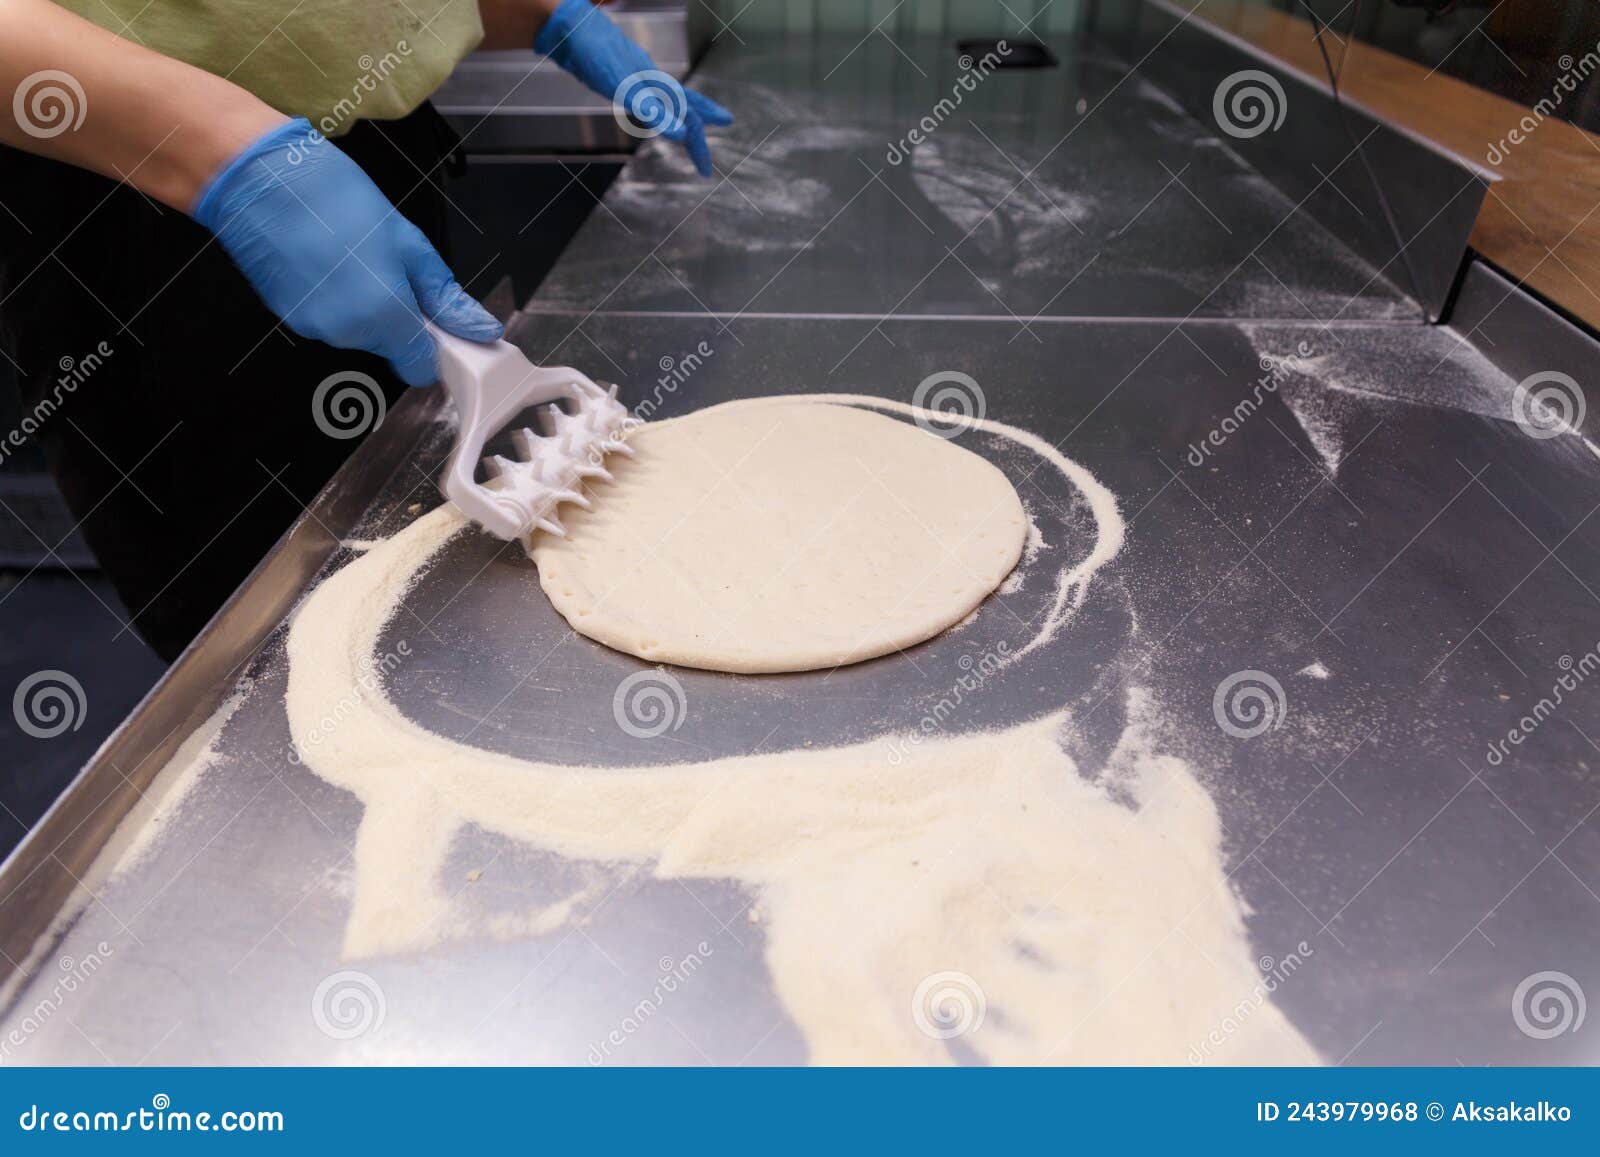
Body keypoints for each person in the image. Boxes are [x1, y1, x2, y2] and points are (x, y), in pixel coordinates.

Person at [0, 0, 731, 660]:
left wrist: (528, 12)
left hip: (368, 164)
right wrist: (227, 156)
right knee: (263, 648)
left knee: (421, 595)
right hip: (143, 194)